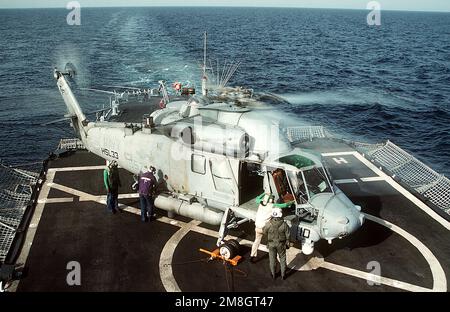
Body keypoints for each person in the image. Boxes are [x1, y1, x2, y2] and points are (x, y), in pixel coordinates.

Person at [263, 208, 290, 280]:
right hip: (281, 244)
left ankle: (273, 274)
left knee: (272, 259)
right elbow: (288, 235)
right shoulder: (284, 225)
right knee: (282, 258)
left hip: (271, 244)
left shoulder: (269, 224)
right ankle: (283, 275)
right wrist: (287, 242)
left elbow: (264, 231)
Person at [250, 193, 275, 263]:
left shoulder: (260, 205)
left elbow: (257, 198)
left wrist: (264, 193)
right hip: (265, 229)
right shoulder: (272, 206)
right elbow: (283, 205)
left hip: (257, 227)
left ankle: (252, 256)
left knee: (256, 241)